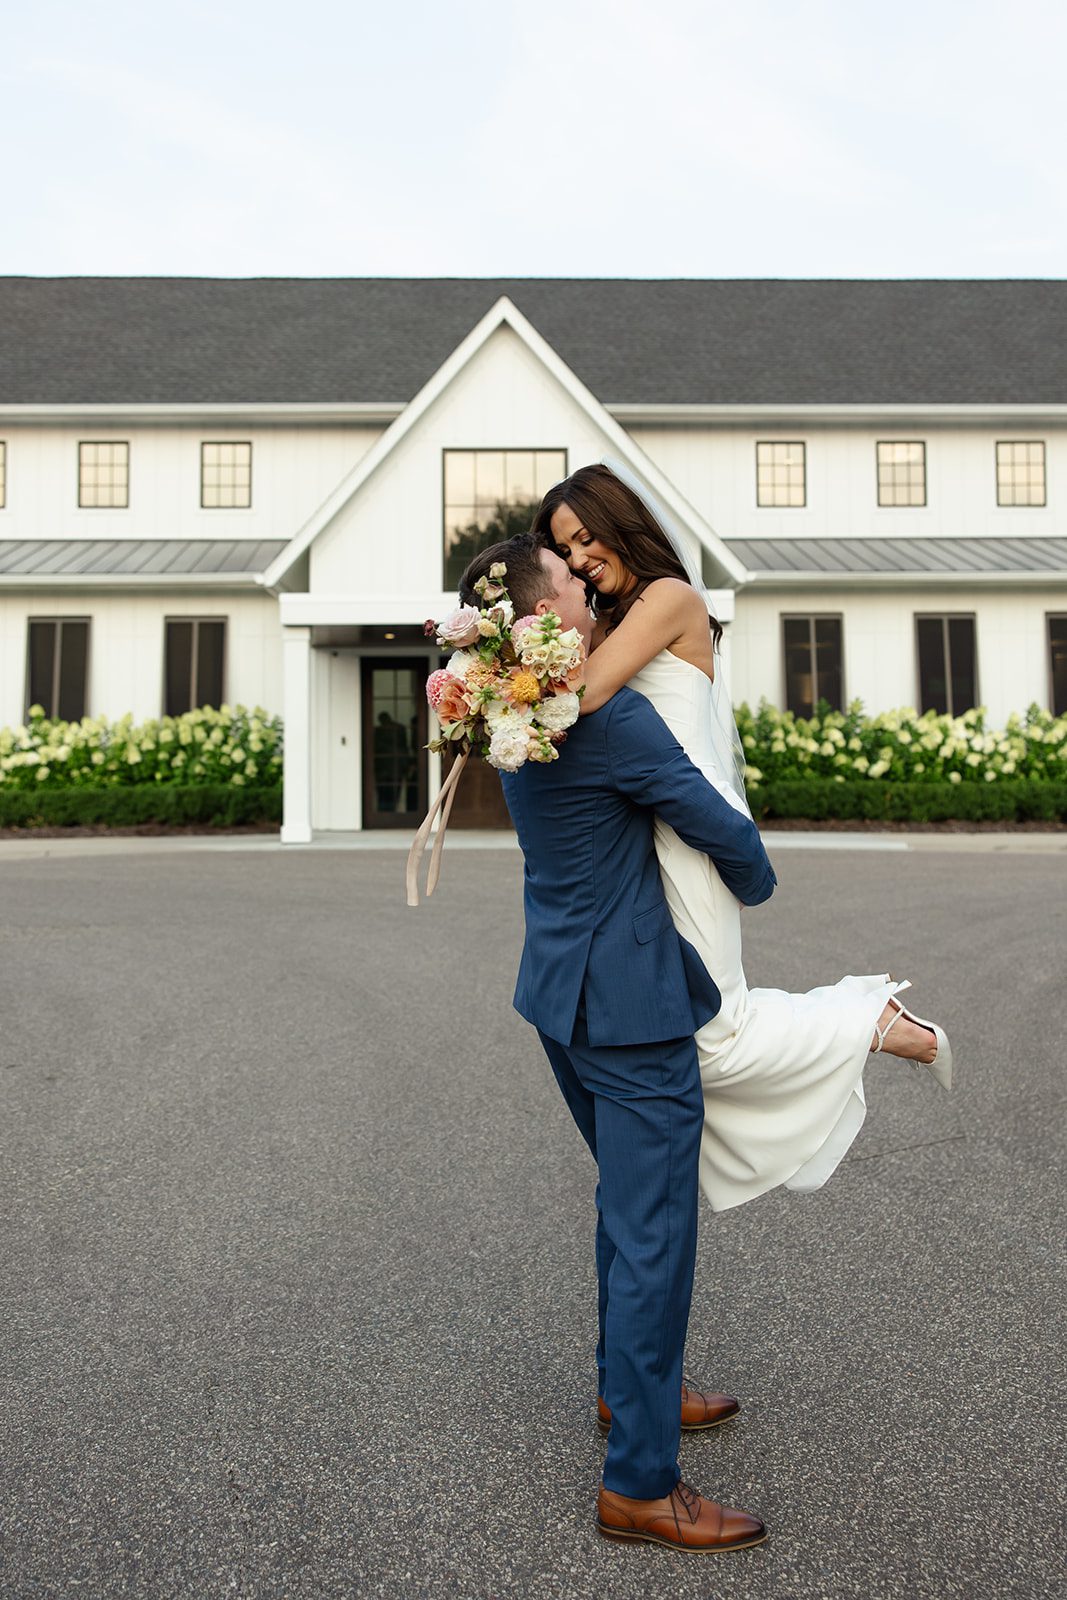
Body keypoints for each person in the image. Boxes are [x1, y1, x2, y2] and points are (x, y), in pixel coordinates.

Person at [457, 532, 774, 1554]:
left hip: (557, 995)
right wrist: (758, 879)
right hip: (632, 1009)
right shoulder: (609, 720)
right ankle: (639, 1482)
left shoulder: (511, 717)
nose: (591, 595)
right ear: (543, 620)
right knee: (655, 1233)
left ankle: (623, 1388)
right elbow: (713, 821)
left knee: (623, 1210)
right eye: (571, 588)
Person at [531, 462, 953, 1212]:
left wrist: (497, 680)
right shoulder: (609, 619)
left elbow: (586, 695)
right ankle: (857, 1026)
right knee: (685, 1030)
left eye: (587, 537)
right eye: (565, 552)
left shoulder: (667, 598)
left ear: (622, 522)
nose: (579, 560)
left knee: (712, 1036)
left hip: (690, 833)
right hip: (643, 838)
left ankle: (870, 1020)